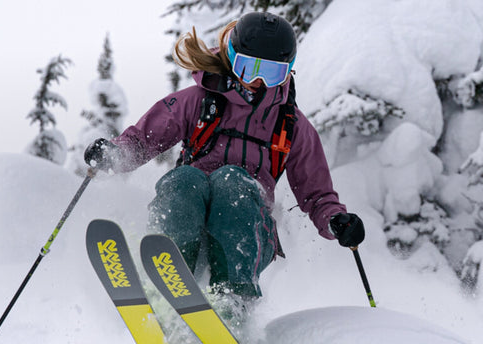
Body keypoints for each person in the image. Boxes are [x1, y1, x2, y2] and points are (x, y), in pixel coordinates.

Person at [83, 12, 365, 305]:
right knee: (184, 178)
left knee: (234, 181)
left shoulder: (290, 125)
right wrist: (114, 154)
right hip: (189, 214)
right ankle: (167, 272)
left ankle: (233, 297)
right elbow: (143, 140)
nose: (258, 81)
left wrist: (335, 220)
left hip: (249, 232)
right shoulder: (198, 100)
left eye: (271, 73)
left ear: (287, 72)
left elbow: (317, 193)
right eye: (249, 67)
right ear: (232, 58)